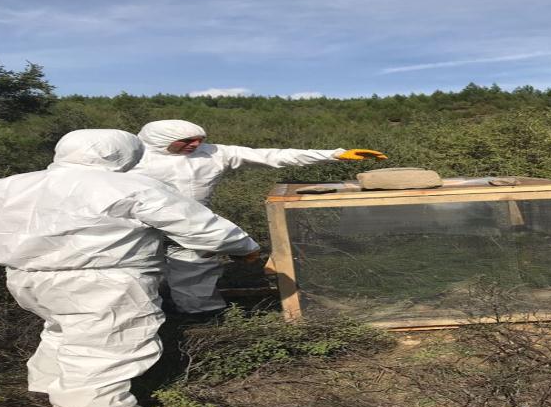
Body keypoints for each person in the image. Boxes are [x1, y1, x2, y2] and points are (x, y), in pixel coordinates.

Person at [0, 129, 260, 407]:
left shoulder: (6, 186)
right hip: (102, 283)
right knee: (104, 353)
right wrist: (244, 248)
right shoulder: (130, 185)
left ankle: (44, 393)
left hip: (27, 280)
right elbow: (198, 225)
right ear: (125, 152)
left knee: (63, 332)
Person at [129, 119, 387, 313]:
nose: (196, 145)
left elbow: (272, 156)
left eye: (199, 139)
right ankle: (150, 315)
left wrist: (333, 154)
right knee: (136, 273)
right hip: (134, 225)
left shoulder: (215, 152)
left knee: (195, 269)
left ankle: (200, 315)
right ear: (159, 141)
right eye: (187, 141)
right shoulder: (132, 157)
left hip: (192, 224)